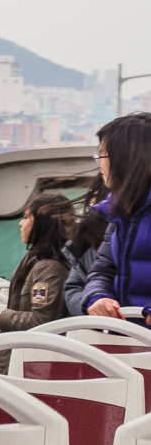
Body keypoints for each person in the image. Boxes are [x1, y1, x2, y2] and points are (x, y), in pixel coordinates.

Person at [0, 193, 72, 373]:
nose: (20, 224)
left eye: (26, 217)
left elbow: (43, 320)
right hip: (19, 359)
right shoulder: (36, 262)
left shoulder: (50, 269)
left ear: (42, 223)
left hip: (29, 367)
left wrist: (4, 319)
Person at [84, 112, 151, 325]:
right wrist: (98, 297)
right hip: (128, 339)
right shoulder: (119, 214)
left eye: (102, 156)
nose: (100, 165)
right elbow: (102, 270)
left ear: (126, 159)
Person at [61, 176, 109, 316]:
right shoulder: (83, 244)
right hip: (100, 329)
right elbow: (73, 288)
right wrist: (91, 303)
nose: (92, 201)